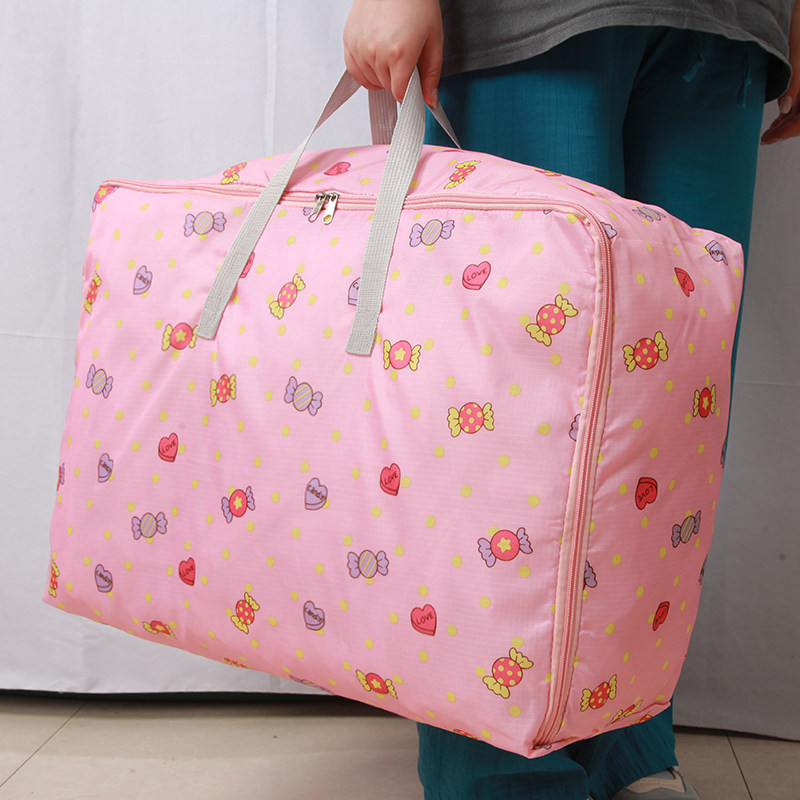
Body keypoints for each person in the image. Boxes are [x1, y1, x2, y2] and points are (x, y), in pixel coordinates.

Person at [343, 2, 799, 799]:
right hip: (526, 18)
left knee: (670, 423)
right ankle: (499, 777)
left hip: (724, 24)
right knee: (513, 427)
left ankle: (628, 746)